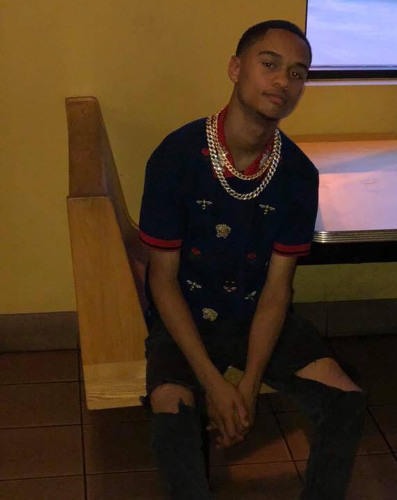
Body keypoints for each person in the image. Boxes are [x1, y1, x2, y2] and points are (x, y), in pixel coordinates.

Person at [138, 19, 367, 500]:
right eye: (269, 65)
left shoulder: (298, 175)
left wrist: (248, 386)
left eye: (297, 73)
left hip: (257, 316)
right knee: (172, 418)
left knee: (346, 401)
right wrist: (215, 386)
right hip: (184, 318)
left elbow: (278, 288)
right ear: (235, 68)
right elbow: (162, 280)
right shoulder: (176, 157)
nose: (283, 81)